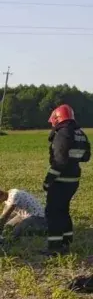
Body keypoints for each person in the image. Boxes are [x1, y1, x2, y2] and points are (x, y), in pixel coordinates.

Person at [42, 104, 90, 256]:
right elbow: (86, 156)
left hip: (61, 180)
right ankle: (66, 242)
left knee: (53, 212)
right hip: (74, 178)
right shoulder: (80, 133)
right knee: (63, 210)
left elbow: (60, 161)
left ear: (58, 118)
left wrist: (48, 180)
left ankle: (55, 247)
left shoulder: (62, 133)